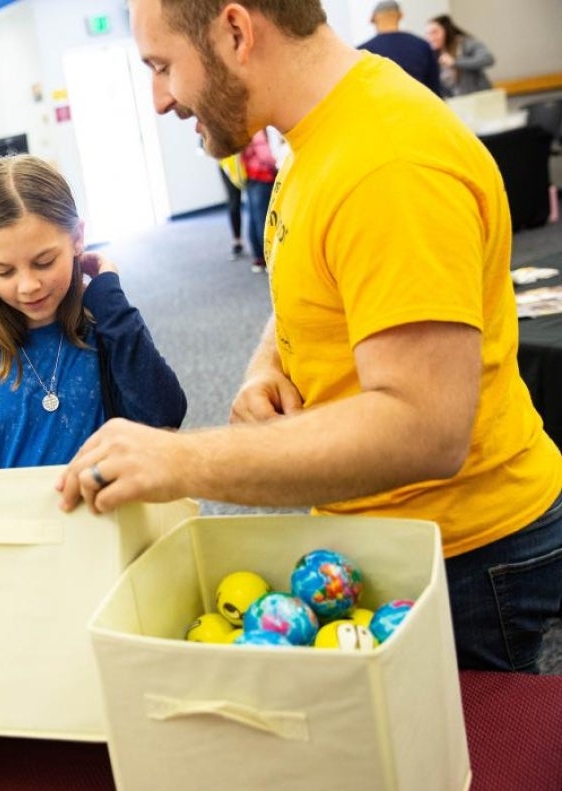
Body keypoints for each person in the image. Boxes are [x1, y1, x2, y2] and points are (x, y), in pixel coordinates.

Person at [58, 0, 562, 674]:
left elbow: (426, 426)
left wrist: (180, 462)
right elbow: (323, 281)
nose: (160, 99)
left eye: (162, 67)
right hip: (394, 533)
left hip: (464, 554)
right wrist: (266, 364)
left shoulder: (388, 164)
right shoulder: (320, 132)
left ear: (236, 32)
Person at [0, 154, 186, 474]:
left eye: (44, 262)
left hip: (100, 516)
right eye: (3, 271)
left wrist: (110, 298)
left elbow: (165, 414)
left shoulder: (106, 325)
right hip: (12, 522)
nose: (29, 286)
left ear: (76, 239)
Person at [359, 1, 441, 96]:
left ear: (373, 18)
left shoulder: (362, 52)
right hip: (417, 107)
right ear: (401, 15)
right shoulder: (422, 46)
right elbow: (435, 92)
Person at [425, 14, 494, 97]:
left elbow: (488, 59)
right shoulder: (434, 55)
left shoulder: (465, 43)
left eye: (434, 32)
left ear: (446, 30)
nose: (430, 37)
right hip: (457, 103)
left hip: (479, 99)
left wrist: (455, 62)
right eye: (428, 34)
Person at [240, 129, 277, 273]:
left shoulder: (245, 127)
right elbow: (265, 155)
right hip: (262, 176)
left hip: (250, 175)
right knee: (264, 220)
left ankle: (258, 257)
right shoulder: (257, 129)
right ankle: (268, 259)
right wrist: (277, 164)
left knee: (254, 217)